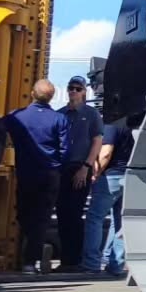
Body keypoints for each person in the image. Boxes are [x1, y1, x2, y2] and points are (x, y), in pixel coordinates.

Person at [3, 79, 67, 276]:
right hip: (49, 174)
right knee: (42, 218)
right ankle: (32, 261)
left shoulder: (17, 117)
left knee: (24, 215)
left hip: (25, 173)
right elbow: (65, 150)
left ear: (32, 93)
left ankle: (21, 259)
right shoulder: (59, 119)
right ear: (52, 97)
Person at [56, 76, 101, 272]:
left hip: (80, 166)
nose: (73, 91)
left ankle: (75, 260)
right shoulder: (60, 114)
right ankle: (66, 260)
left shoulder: (91, 115)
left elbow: (97, 142)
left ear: (84, 92)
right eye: (71, 88)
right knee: (62, 213)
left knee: (74, 213)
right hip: (62, 168)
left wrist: (86, 166)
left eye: (77, 88)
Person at [82, 116, 131, 279]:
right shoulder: (137, 126)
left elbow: (106, 152)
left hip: (111, 176)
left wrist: (95, 173)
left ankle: (91, 263)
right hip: (132, 176)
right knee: (120, 222)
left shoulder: (113, 125)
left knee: (94, 218)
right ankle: (116, 264)